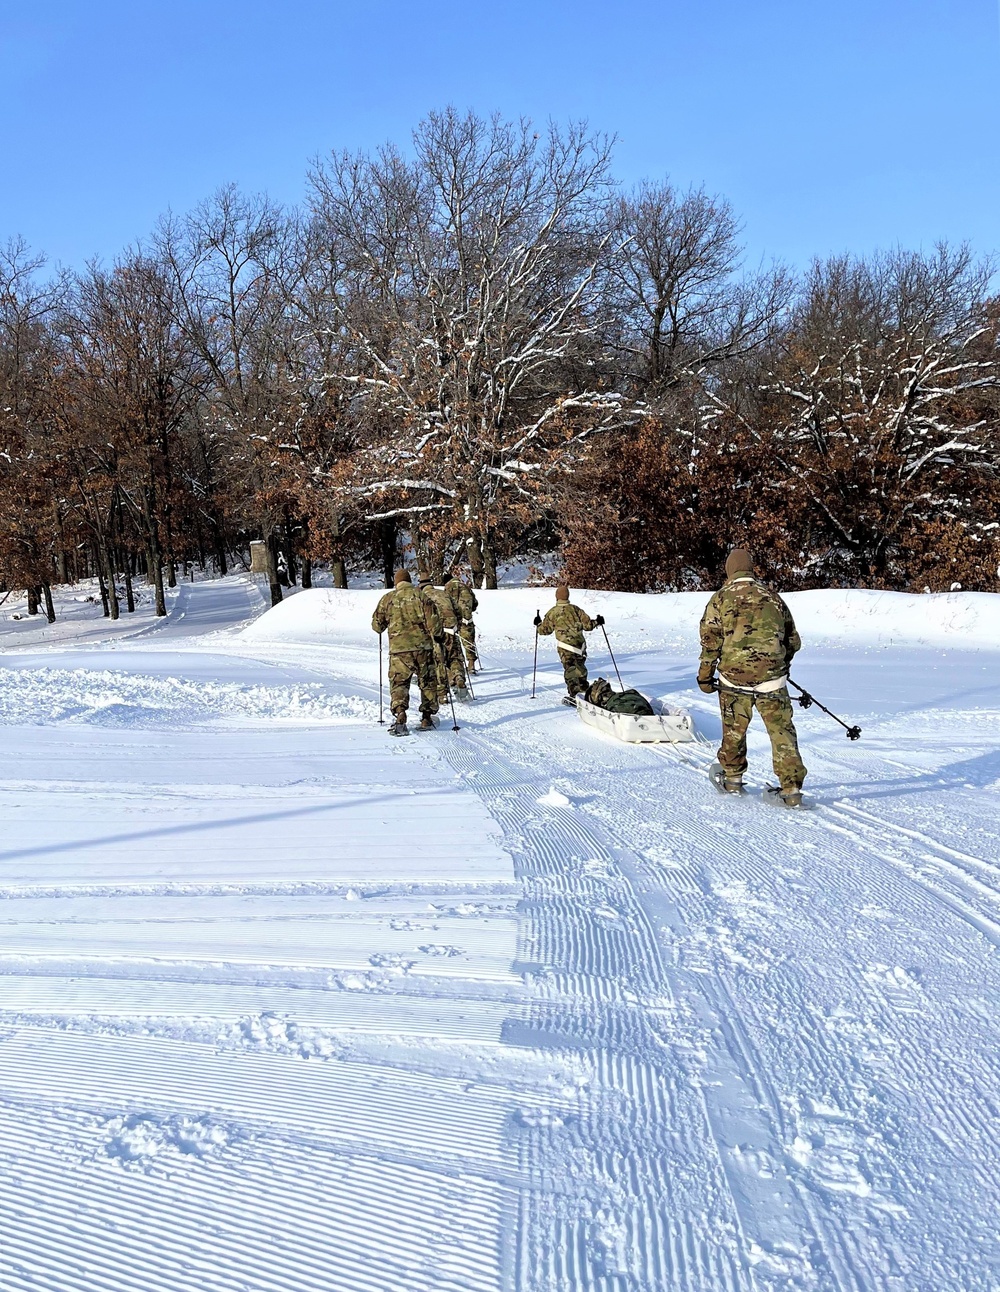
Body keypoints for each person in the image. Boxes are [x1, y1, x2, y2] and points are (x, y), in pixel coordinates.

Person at [698, 548, 807, 806]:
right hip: (773, 681)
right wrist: (781, 666)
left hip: (733, 681)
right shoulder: (774, 598)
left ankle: (733, 778)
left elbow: (710, 642)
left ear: (730, 570)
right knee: (782, 734)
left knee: (734, 731)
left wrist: (705, 676)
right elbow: (792, 640)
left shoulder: (720, 599)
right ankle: (791, 789)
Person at [371, 570, 444, 735]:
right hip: (423, 648)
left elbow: (377, 626)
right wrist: (438, 637)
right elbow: (434, 622)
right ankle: (427, 717)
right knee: (427, 682)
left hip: (399, 651)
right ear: (410, 581)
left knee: (399, 683)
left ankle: (400, 714)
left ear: (396, 582)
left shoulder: (387, 599)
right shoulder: (421, 596)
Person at [535, 586, 604, 706]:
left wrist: (538, 623)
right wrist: (597, 621)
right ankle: (584, 691)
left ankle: (575, 695)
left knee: (570, 670)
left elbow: (544, 630)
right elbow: (588, 626)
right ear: (568, 596)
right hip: (580, 646)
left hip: (565, 647)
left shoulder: (553, 612)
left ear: (557, 596)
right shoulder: (576, 610)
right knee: (580, 669)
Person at [419, 577, 469, 702]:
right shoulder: (444, 594)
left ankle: (442, 694)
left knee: (438, 661)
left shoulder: (421, 597)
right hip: (451, 630)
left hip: (434, 633)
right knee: (455, 656)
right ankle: (459, 677)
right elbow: (458, 611)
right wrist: (456, 626)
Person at [444, 571, 479, 673]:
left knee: (453, 643)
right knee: (469, 641)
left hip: (454, 619)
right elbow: (475, 603)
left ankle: (455, 667)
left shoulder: (448, 587)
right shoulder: (466, 586)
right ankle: (471, 664)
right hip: (467, 618)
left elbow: (447, 603)